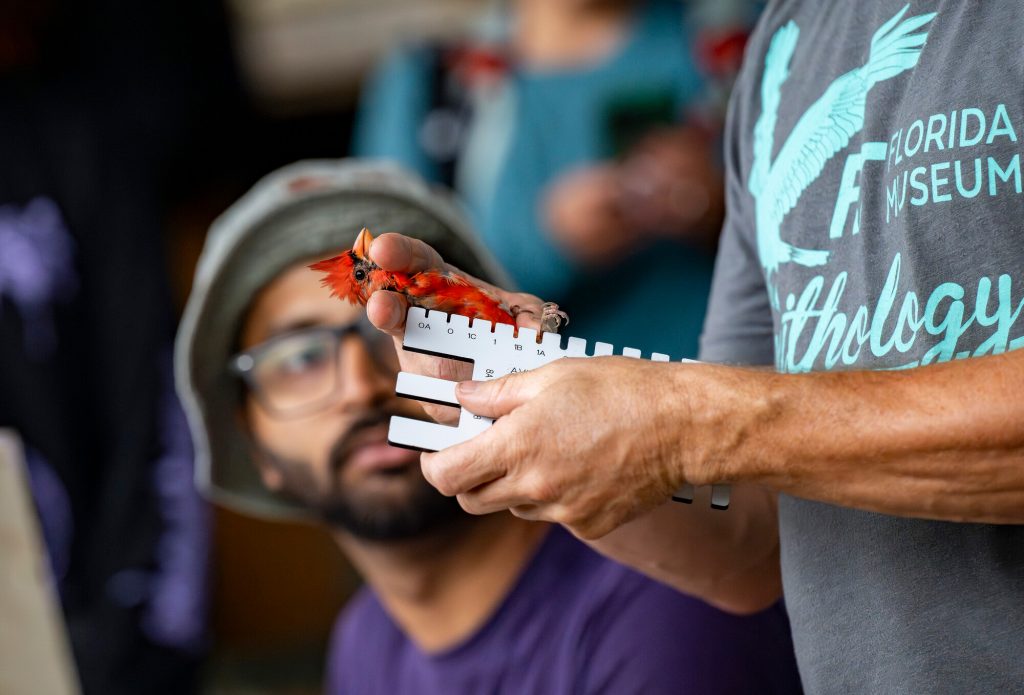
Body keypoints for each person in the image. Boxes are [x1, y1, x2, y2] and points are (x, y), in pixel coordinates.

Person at [357, 3, 1024, 694]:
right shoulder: (783, 37)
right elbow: (755, 543)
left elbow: (720, 439)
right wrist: (520, 394)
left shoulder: (726, 40)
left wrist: (688, 425)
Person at [175, 160, 803, 694]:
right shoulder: (366, 643)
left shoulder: (669, 597)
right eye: (301, 358)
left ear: (498, 351)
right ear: (252, 438)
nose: (363, 388)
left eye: (397, 335)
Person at [354, 0, 757, 358]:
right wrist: (546, 242)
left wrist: (721, 206)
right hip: (520, 411)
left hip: (729, 393)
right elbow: (388, 293)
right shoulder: (432, 84)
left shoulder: (739, 40)